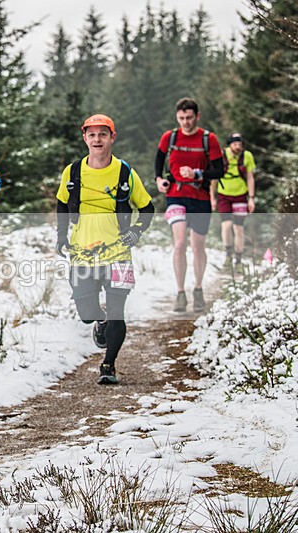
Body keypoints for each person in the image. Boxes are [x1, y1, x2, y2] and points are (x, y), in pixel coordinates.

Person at [56, 114, 154, 385]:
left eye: (103, 134)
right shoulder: (73, 172)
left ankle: (108, 364)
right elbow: (62, 204)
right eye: (92, 134)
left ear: (113, 137)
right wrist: (60, 235)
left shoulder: (125, 173)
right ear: (84, 137)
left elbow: (147, 208)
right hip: (82, 253)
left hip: (119, 255)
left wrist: (136, 231)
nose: (97, 139)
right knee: (86, 312)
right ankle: (98, 321)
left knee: (117, 312)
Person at [154, 98, 225, 313]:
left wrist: (198, 173)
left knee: (197, 246)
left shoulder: (208, 139)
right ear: (177, 117)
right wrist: (159, 179)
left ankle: (198, 288)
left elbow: (220, 170)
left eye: (189, 118)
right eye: (181, 118)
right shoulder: (170, 136)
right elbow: (159, 159)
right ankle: (180, 292)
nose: (185, 122)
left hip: (200, 197)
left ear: (197, 116)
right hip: (175, 195)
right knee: (179, 243)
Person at [210, 132, 256, 269]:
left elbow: (250, 177)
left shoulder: (247, 156)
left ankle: (238, 259)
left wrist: (251, 198)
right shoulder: (221, 155)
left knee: (239, 228)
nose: (237, 147)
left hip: (241, 195)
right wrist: (212, 197)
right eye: (235, 144)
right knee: (226, 225)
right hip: (224, 195)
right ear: (229, 144)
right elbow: (214, 177)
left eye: (240, 144)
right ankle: (228, 254)